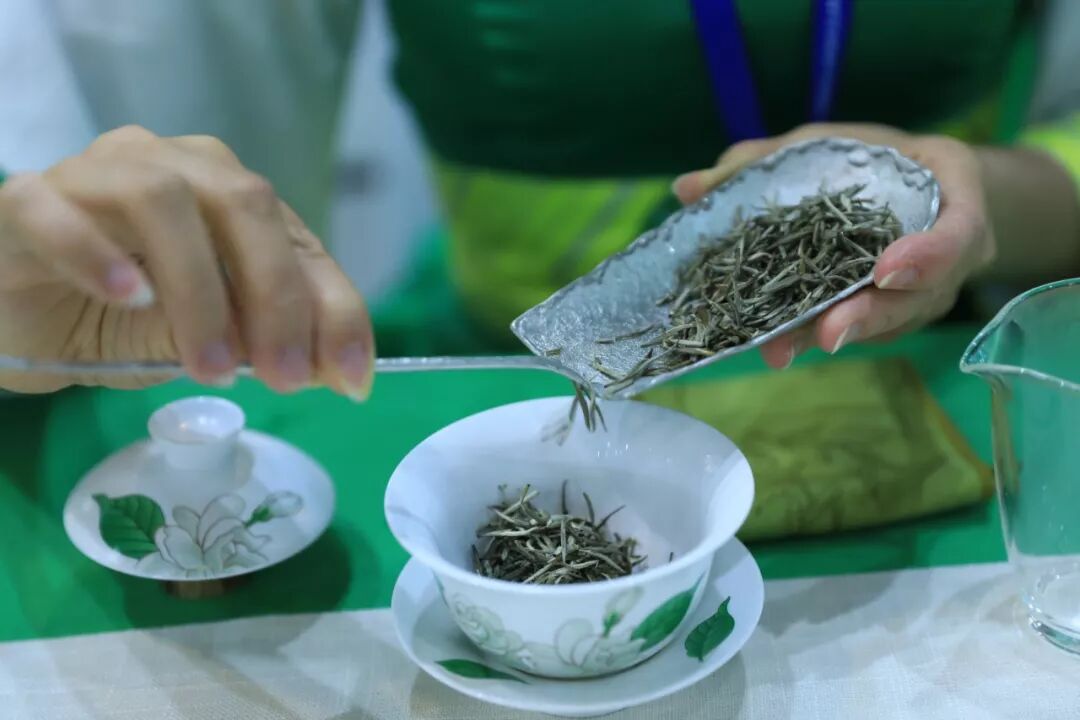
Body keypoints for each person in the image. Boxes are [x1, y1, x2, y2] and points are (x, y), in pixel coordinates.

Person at [1, 0, 1078, 396]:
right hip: (504, 382)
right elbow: (123, 146)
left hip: (958, 387)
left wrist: (979, 199)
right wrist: (79, 270)